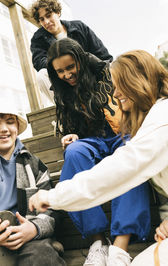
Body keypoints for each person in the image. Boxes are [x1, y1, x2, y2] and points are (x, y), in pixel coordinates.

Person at [29, 49, 168, 265]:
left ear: (137, 81)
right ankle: (98, 242)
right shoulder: (64, 95)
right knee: (75, 152)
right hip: (93, 143)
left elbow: (124, 167)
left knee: (127, 158)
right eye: (60, 71)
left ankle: (119, 250)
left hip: (117, 139)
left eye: (120, 85)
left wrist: (53, 197)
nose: (115, 92)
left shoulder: (161, 119)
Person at [0, 100, 66, 266]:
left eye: (10, 122)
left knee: (42, 256)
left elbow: (52, 208)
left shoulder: (35, 165)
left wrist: (34, 229)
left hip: (29, 240)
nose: (4, 129)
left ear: (17, 128)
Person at [30, 0, 113, 107]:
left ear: (58, 13)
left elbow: (103, 55)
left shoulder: (79, 27)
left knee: (110, 66)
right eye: (42, 19)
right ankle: (67, 107)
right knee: (42, 75)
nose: (46, 22)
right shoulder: (38, 38)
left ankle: (101, 98)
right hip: (64, 81)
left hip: (89, 76)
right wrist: (61, 66)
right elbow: (39, 62)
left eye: (49, 15)